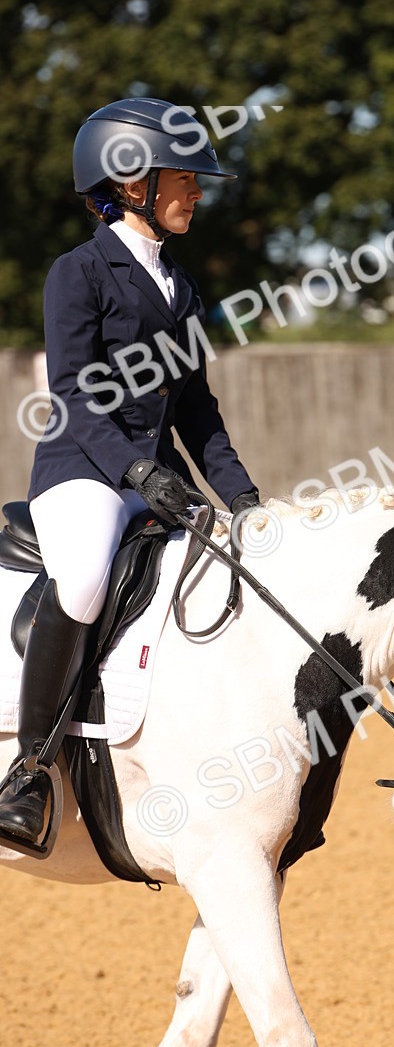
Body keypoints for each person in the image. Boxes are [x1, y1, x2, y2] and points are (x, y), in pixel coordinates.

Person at [0, 98, 260, 846]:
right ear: (131, 182)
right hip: (83, 471)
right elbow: (75, 396)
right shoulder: (78, 272)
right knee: (84, 578)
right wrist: (138, 471)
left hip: (157, 476)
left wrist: (244, 497)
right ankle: (28, 774)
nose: (197, 192)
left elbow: (197, 411)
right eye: (185, 178)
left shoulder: (182, 286)